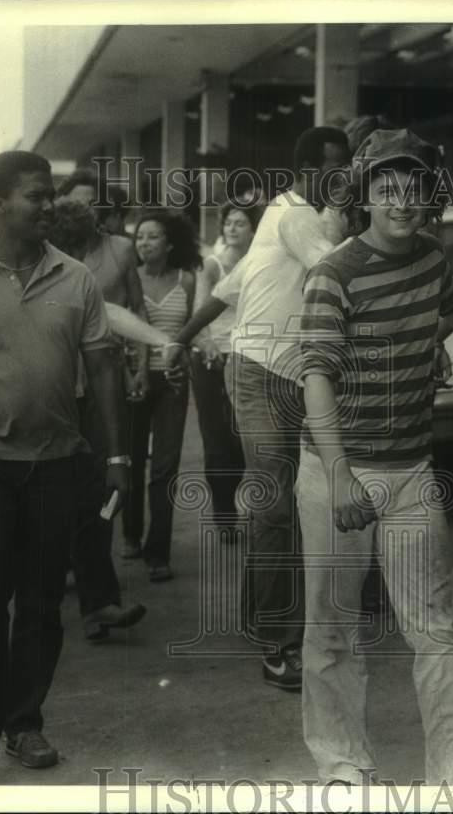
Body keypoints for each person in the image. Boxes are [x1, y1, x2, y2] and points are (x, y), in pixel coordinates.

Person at [298, 128, 453, 784]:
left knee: (441, 628)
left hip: (411, 469)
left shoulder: (432, 258)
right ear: (364, 195)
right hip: (339, 471)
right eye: (387, 188)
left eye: (414, 187)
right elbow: (316, 378)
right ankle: (342, 765)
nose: (403, 201)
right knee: (332, 627)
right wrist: (338, 476)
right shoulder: (333, 274)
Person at [0, 151, 130, 785]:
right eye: (36, 196)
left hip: (57, 463)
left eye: (51, 195)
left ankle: (24, 724)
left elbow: (101, 372)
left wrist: (117, 455)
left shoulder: (77, 281)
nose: (49, 206)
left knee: (40, 601)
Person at [165, 126, 351, 692]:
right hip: (264, 375)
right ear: (306, 169)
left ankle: (262, 620)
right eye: (335, 168)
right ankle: (278, 644)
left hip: (290, 376)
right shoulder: (296, 214)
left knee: (286, 504)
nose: (343, 178)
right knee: (275, 506)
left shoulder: (287, 218)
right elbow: (341, 269)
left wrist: (179, 338)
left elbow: (231, 289)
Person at [46, 199, 147, 641]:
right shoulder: (39, 273)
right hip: (48, 400)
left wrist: (138, 365)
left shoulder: (100, 266)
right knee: (49, 502)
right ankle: (46, 605)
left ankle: (98, 603)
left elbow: (131, 316)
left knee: (96, 498)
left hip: (94, 393)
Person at [124, 210, 200, 581]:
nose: (144, 243)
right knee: (133, 460)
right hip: (134, 381)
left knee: (165, 467)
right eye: (140, 237)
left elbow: (193, 331)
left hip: (172, 381)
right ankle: (131, 533)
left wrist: (184, 357)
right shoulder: (128, 281)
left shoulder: (186, 281)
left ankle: (158, 552)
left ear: (169, 244)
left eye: (152, 237)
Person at [189, 201, 264, 530]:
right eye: (229, 223)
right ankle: (224, 515)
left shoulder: (260, 263)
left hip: (246, 359)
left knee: (242, 438)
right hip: (209, 358)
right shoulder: (211, 264)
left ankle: (245, 502)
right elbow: (199, 311)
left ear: (254, 229)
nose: (232, 229)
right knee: (216, 439)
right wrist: (205, 344)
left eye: (241, 223)